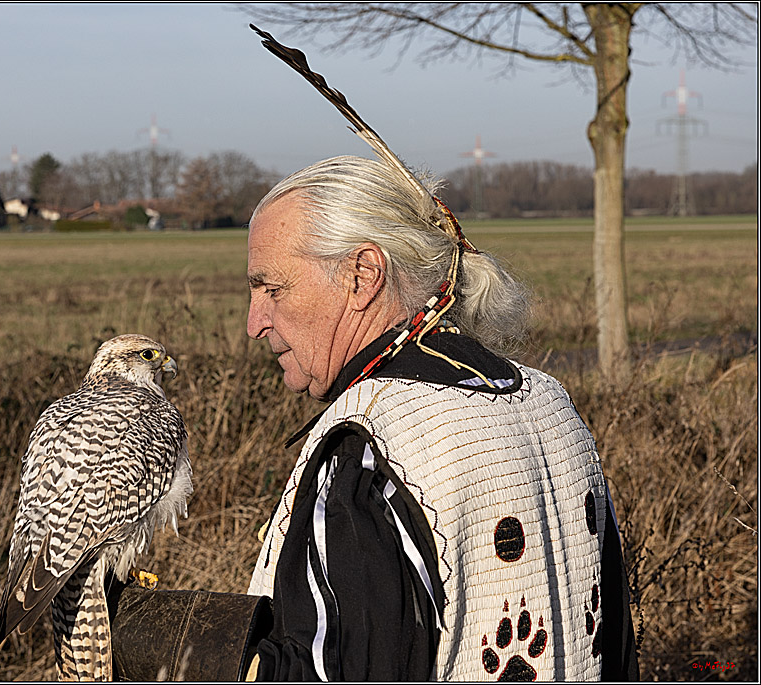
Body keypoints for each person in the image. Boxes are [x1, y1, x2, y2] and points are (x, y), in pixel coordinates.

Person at [243, 155, 639, 681]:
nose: (255, 322)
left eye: (272, 288)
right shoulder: (549, 402)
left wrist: (163, 643)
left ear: (363, 275)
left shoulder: (369, 445)